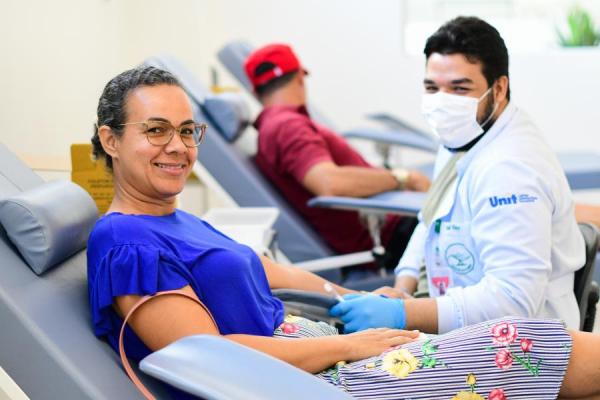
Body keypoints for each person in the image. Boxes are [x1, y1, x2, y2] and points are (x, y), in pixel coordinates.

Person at [88, 65, 600, 400]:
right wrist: (348, 347)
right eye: (155, 130)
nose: (176, 146)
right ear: (110, 139)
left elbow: (265, 269)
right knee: (516, 344)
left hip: (312, 351)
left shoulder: (173, 218)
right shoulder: (125, 242)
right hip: (298, 382)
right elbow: (205, 357)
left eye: (185, 131)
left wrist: (351, 297)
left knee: (509, 349)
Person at [330, 16, 587, 334]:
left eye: (459, 88)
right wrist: (404, 287)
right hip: (463, 321)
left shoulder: (510, 169)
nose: (442, 102)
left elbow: (513, 301)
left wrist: (403, 314)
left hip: (518, 351)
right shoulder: (464, 135)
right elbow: (430, 218)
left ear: (500, 88)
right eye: (431, 87)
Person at [243, 44, 431, 274]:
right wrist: (404, 178)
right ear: (301, 77)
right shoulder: (288, 126)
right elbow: (329, 183)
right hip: (394, 235)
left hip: (391, 219)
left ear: (255, 93)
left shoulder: (277, 124)